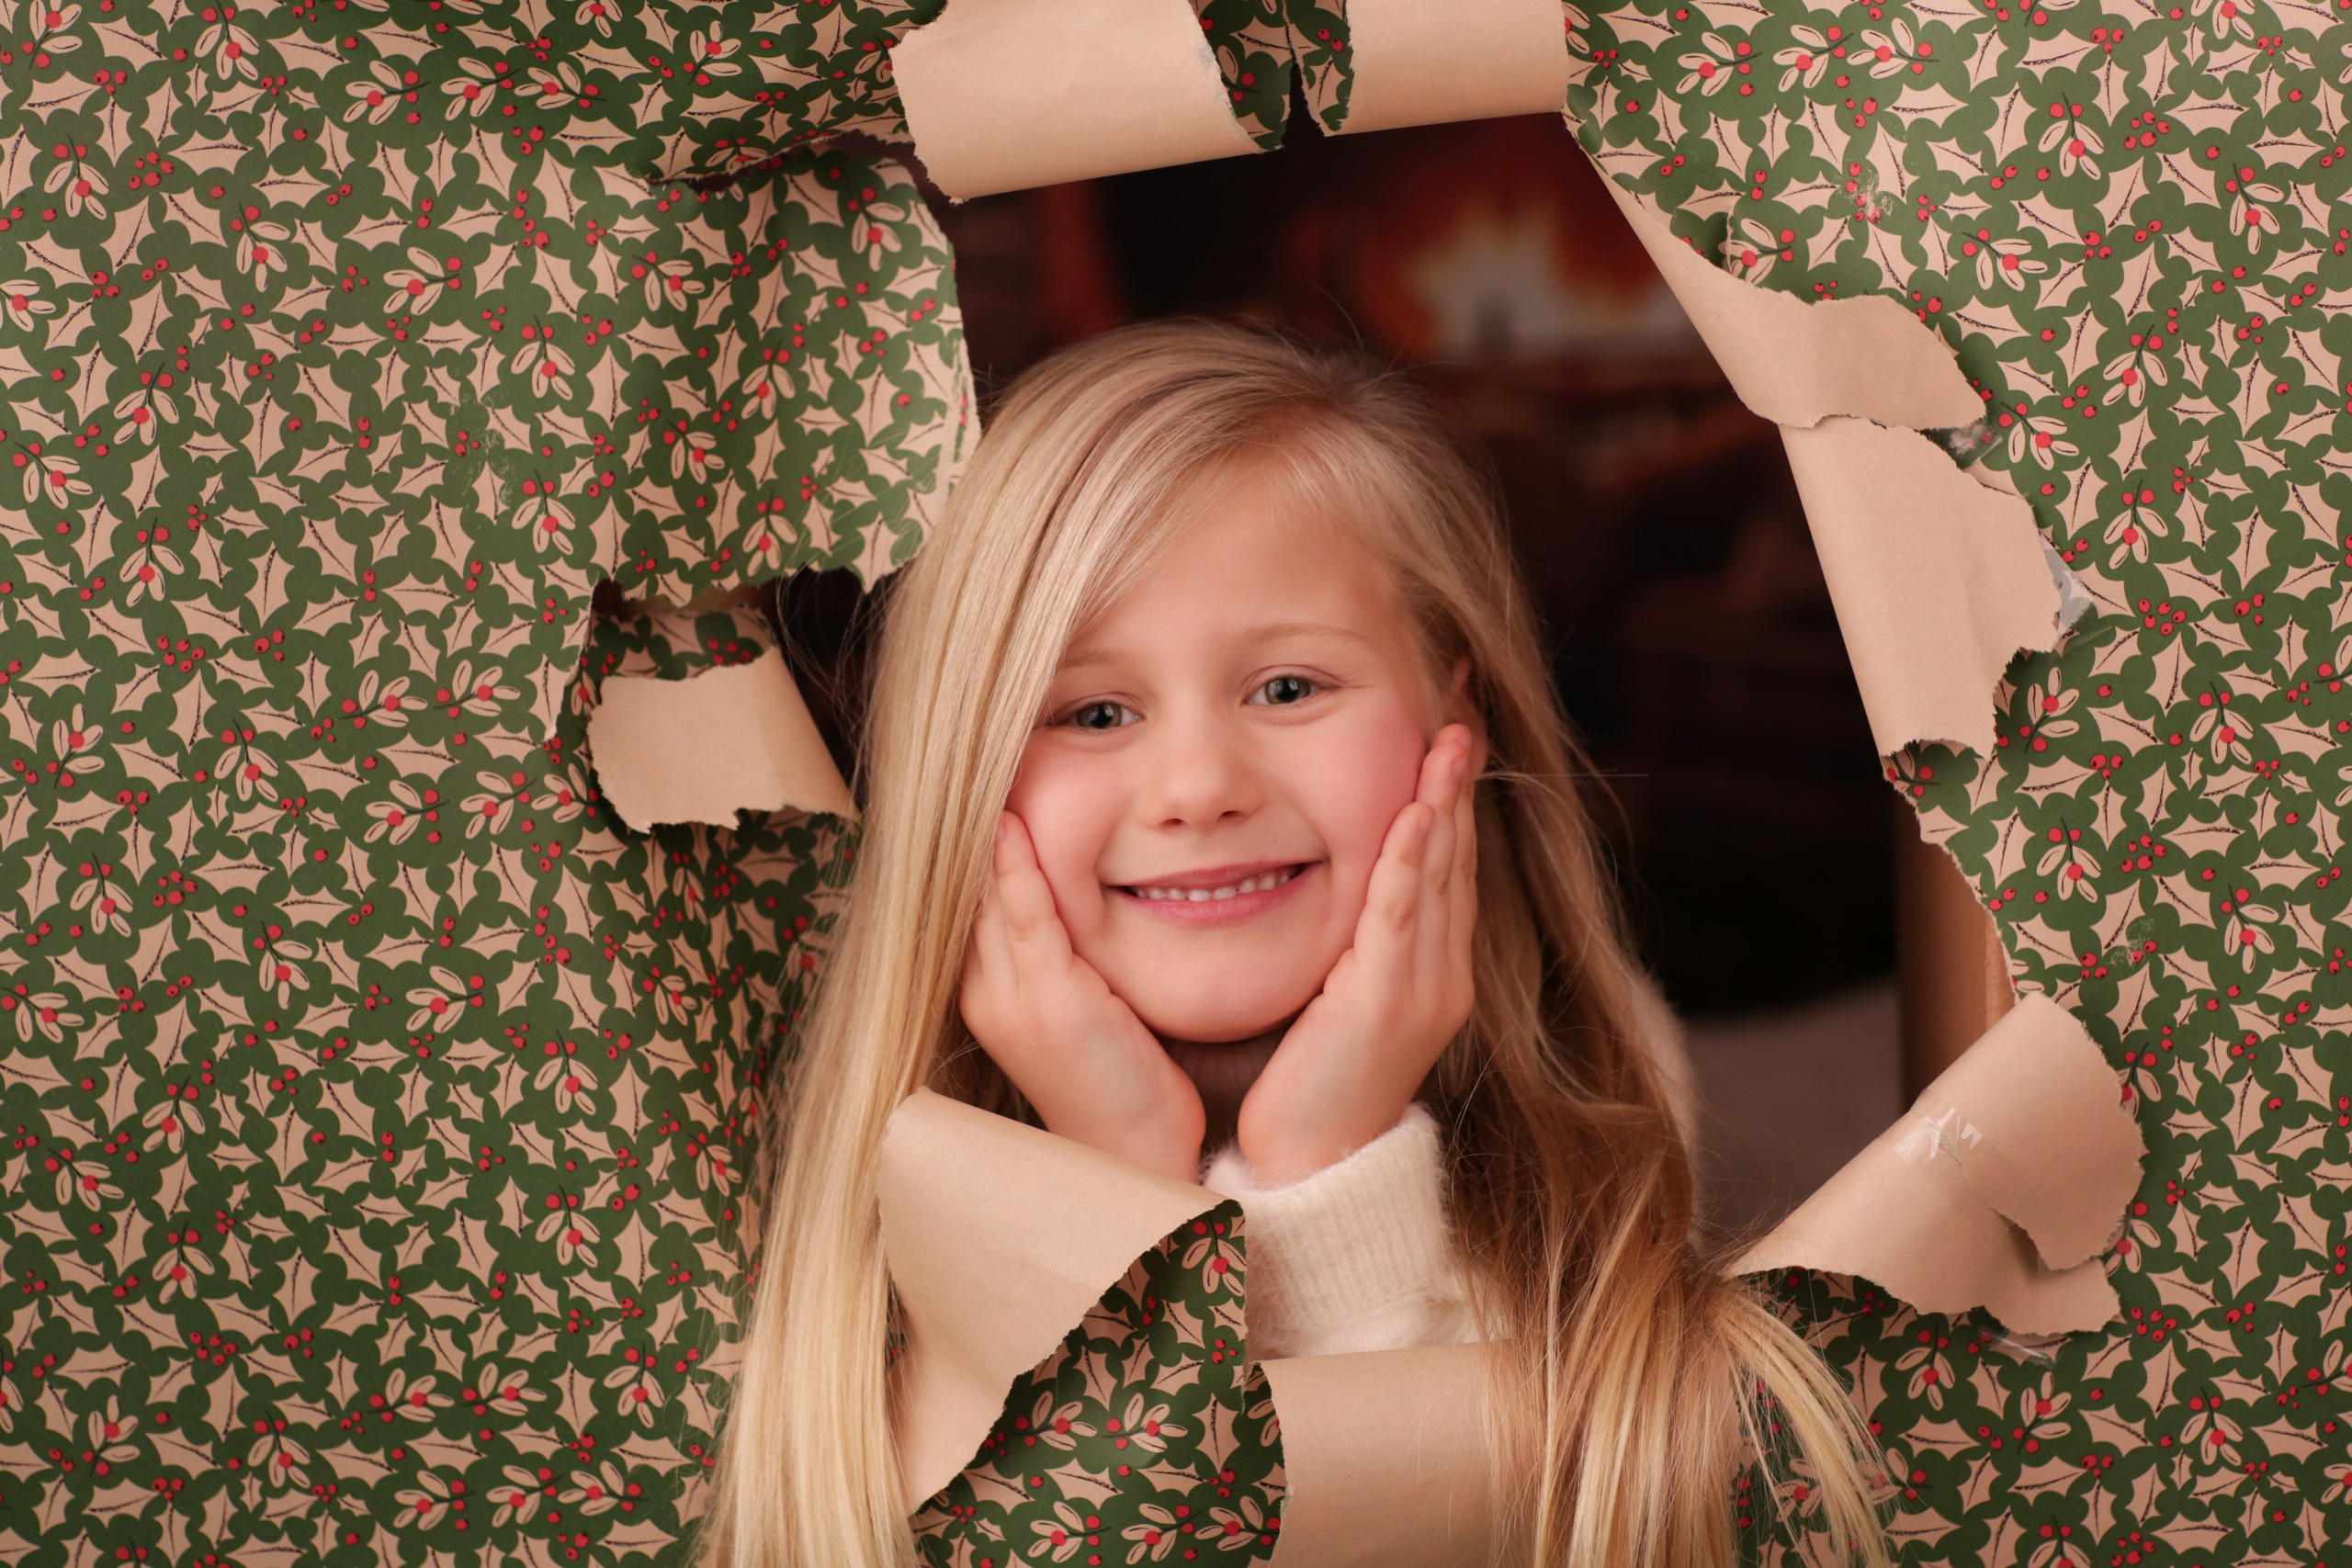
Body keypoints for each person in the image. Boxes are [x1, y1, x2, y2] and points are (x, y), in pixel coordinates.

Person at [706, 321, 1889, 1567]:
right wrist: (1118, 1200)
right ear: (959, 775)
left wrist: (1332, 1173)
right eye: (1094, 712)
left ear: (1454, 718)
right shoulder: (834, 1236)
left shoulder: (1595, 1112)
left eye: (1287, 688)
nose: (1199, 787)